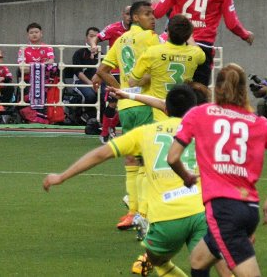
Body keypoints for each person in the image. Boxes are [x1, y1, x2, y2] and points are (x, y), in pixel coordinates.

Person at [44, 84, 225, 277]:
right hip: (201, 212)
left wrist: (62, 177)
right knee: (205, 262)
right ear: (195, 108)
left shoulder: (145, 133)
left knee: (157, 261)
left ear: (166, 109)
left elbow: (100, 154)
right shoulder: (206, 129)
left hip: (167, 216)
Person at [167, 64, 267, 277]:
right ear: (243, 90)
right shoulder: (259, 122)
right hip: (249, 209)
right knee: (199, 259)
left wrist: (186, 177)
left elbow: (172, 157)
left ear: (217, 88)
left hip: (223, 210)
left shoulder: (199, 114)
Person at [94, 0, 162, 231]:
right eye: (147, 14)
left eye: (153, 14)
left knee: (131, 159)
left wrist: (121, 90)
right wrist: (139, 85)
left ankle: (132, 212)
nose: (152, 18)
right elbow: (156, 69)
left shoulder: (121, 40)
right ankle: (144, 213)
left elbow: (102, 71)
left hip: (126, 107)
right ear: (135, 18)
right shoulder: (150, 38)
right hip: (145, 103)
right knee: (147, 161)